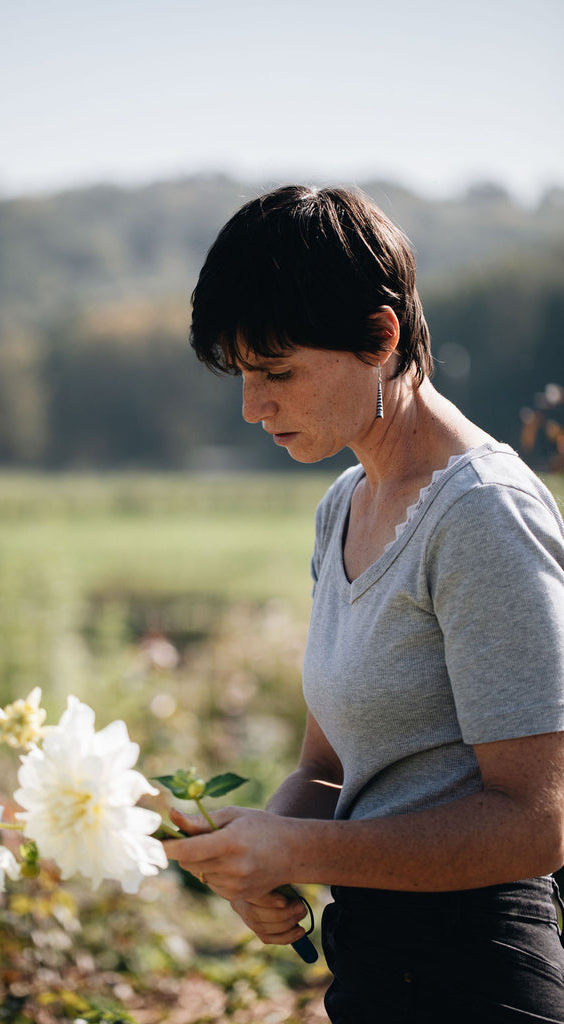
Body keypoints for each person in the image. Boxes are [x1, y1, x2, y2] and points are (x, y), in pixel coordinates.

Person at [162, 185, 564, 1023]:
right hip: (374, 964)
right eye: (241, 375)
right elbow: (326, 766)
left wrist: (299, 846)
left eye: (276, 373)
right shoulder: (344, 503)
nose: (252, 407)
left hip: (479, 978)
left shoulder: (483, 514)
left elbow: (536, 824)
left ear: (379, 337)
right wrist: (259, 851)